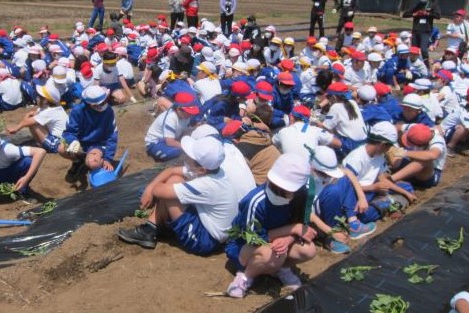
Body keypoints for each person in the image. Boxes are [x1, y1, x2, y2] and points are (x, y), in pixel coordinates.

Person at [118, 135, 239, 255]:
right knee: (175, 179)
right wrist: (150, 188)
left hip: (205, 240)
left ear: (202, 169)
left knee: (171, 187)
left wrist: (151, 189)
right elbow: (170, 171)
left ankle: (149, 229)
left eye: (190, 156)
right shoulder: (214, 172)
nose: (186, 157)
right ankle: (152, 228)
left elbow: (160, 191)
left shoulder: (207, 184)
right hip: (216, 233)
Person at [225, 153, 317, 298]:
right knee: (272, 255)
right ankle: (245, 276)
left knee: (309, 250)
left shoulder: (303, 194)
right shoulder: (255, 202)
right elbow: (253, 239)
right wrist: (293, 229)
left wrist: (287, 240)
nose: (280, 192)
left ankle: (282, 269)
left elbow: (300, 225)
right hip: (243, 245)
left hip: (277, 239)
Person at [58, 86, 118, 182]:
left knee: (92, 163)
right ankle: (78, 161)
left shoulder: (108, 111)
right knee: (61, 148)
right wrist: (73, 141)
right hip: (81, 143)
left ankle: (96, 161)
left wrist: (107, 158)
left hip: (97, 144)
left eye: (105, 100)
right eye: (100, 103)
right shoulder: (77, 111)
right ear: (90, 104)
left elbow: (112, 135)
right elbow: (68, 132)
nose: (104, 104)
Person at [0, 128, 46, 198]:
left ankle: (21, 189)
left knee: (28, 162)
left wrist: (26, 178)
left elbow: (40, 152)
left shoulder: (8, 150)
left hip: (6, 173)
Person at [6, 84, 68, 154]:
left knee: (33, 123)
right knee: (34, 120)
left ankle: (42, 145)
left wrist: (16, 129)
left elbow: (27, 121)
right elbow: (37, 113)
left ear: (45, 101)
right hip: (63, 138)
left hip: (59, 142)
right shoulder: (53, 108)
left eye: (39, 96)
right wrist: (32, 114)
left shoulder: (50, 112)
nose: (37, 97)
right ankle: (41, 144)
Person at [145, 92, 199, 162]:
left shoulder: (185, 116)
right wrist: (189, 148)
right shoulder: (171, 117)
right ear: (179, 109)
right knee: (179, 153)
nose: (191, 114)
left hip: (171, 139)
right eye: (189, 112)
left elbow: (184, 132)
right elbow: (170, 142)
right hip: (156, 143)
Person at [272, 105, 341, 159]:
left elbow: (272, 141)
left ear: (292, 117)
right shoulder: (316, 130)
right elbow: (338, 143)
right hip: (308, 171)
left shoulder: (283, 131)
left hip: (288, 170)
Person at [390, 123, 447, 188]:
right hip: (411, 164)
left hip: (429, 174)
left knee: (425, 160)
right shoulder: (417, 128)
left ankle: (391, 179)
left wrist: (405, 152)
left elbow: (433, 155)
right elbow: (397, 127)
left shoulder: (437, 139)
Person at [402, 0, 441, 68]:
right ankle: (411, 66)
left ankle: (427, 66)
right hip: (416, 30)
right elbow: (405, 14)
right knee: (414, 50)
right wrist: (415, 14)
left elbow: (438, 16)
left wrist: (427, 13)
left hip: (426, 31)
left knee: (423, 49)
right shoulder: (418, 4)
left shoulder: (433, 4)